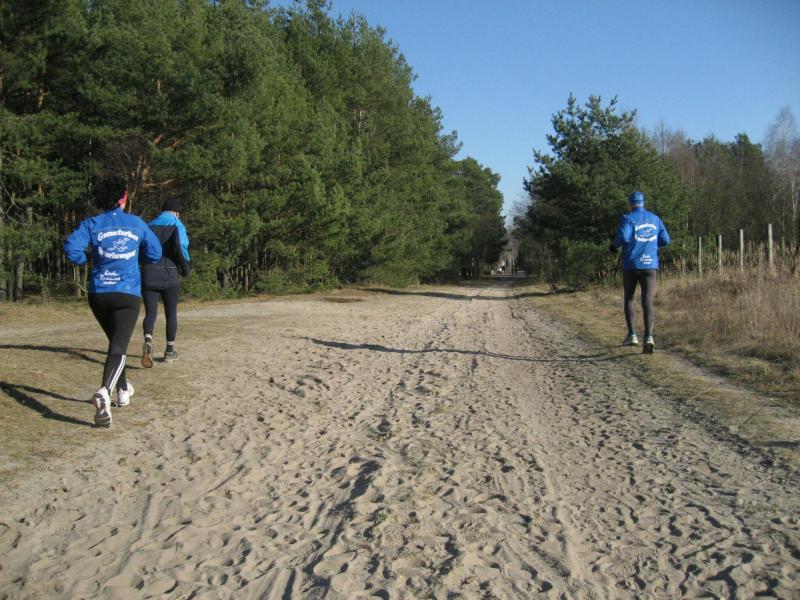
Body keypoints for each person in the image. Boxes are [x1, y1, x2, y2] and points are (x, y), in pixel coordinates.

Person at [64, 175, 162, 427]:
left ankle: (123, 391)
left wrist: (85, 259)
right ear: (123, 197)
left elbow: (71, 248)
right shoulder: (136, 223)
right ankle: (104, 391)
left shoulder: (91, 223)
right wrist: (137, 257)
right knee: (118, 347)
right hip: (127, 294)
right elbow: (155, 253)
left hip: (99, 294)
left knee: (116, 343)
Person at [609, 191, 671, 354]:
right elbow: (666, 240)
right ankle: (649, 337)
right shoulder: (655, 218)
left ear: (630, 204)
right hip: (650, 265)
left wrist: (614, 246)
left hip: (631, 264)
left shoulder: (628, 218)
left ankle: (632, 335)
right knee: (647, 300)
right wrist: (652, 245)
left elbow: (624, 236)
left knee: (629, 298)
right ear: (643, 203)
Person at [140, 197, 190, 367]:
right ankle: (169, 351)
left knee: (150, 313)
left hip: (149, 274)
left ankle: (148, 341)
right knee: (171, 313)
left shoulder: (148, 226)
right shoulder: (177, 225)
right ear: (176, 213)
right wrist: (186, 267)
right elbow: (182, 247)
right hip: (170, 273)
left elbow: (141, 248)